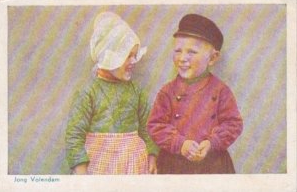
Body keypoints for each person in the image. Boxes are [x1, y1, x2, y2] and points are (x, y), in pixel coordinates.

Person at [147, 14, 243, 174]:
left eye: (191, 52)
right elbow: (155, 125)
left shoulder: (221, 91)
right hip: (174, 164)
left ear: (213, 58)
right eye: (178, 51)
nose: (182, 58)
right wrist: (180, 144)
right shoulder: (167, 92)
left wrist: (212, 143)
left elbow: (233, 124)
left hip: (213, 164)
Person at [65, 12, 158, 175]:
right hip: (99, 162)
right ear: (110, 56)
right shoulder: (89, 92)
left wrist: (152, 155)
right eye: (128, 56)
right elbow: (75, 134)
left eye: (134, 56)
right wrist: (80, 168)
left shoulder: (136, 91)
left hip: (133, 163)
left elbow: (147, 126)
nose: (133, 62)